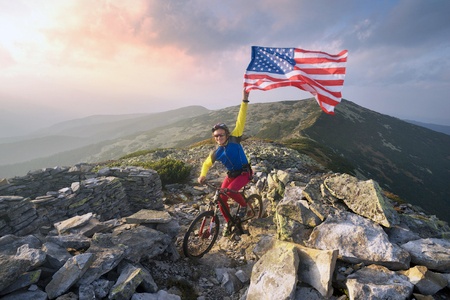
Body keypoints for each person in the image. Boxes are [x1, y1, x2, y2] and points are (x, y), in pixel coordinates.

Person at [198, 89, 252, 236]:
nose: (218, 137)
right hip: (231, 175)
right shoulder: (217, 152)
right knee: (221, 199)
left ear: (227, 134)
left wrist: (244, 100)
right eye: (216, 136)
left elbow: (241, 119)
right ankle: (229, 222)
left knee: (231, 191)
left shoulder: (235, 138)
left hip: (244, 172)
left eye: (221, 134)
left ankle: (244, 205)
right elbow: (206, 164)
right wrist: (202, 175)